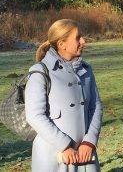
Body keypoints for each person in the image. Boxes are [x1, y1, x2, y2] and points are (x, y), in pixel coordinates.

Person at [25, 19, 103, 172]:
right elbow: (35, 115)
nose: (83, 41)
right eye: (78, 38)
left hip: (84, 156)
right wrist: (65, 146)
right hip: (53, 156)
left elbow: (96, 106)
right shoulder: (40, 72)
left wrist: (89, 142)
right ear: (62, 44)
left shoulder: (86, 70)